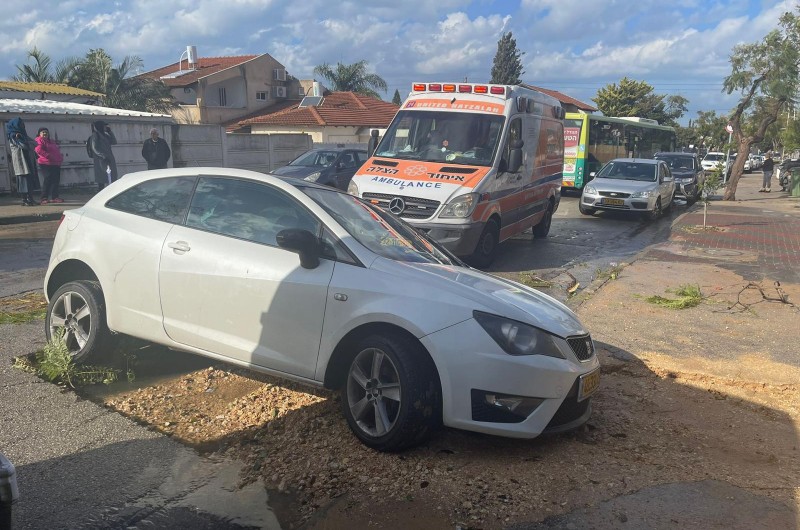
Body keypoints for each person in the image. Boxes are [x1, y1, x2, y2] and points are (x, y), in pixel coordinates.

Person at [6, 118, 40, 206]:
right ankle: (24, 200)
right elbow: (24, 146)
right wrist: (28, 143)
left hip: (28, 159)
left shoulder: (22, 134)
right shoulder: (12, 135)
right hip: (21, 161)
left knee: (30, 180)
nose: (22, 125)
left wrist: (28, 142)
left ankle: (30, 199)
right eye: (20, 124)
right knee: (23, 180)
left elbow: (35, 143)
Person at [34, 127, 64, 204]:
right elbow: (38, 150)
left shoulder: (51, 141)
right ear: (39, 134)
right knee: (48, 179)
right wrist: (49, 156)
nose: (45, 133)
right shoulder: (39, 140)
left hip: (55, 163)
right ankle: (44, 198)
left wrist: (60, 157)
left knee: (56, 180)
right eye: (43, 132)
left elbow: (56, 150)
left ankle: (55, 197)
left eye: (46, 132)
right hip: (45, 163)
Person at [89, 120, 118, 191]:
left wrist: (110, 132)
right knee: (101, 178)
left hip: (109, 158)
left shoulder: (106, 135)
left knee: (112, 176)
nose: (106, 127)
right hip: (101, 160)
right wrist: (102, 155)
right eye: (104, 126)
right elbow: (94, 148)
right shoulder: (95, 135)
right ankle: (101, 193)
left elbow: (114, 142)